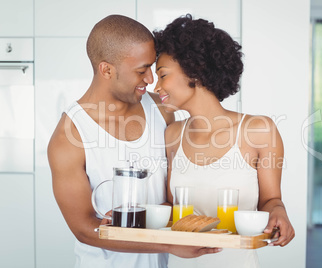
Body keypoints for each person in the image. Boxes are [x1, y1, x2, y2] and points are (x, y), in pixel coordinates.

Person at [47, 14, 221, 268]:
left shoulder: (163, 111)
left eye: (152, 67)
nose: (151, 79)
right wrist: (169, 244)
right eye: (141, 70)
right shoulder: (70, 135)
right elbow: (84, 229)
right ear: (106, 69)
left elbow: (173, 192)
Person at [153, 14, 295, 268]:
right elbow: (171, 207)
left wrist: (278, 212)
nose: (156, 86)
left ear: (193, 71)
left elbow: (271, 200)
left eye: (162, 75)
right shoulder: (172, 135)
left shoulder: (258, 130)